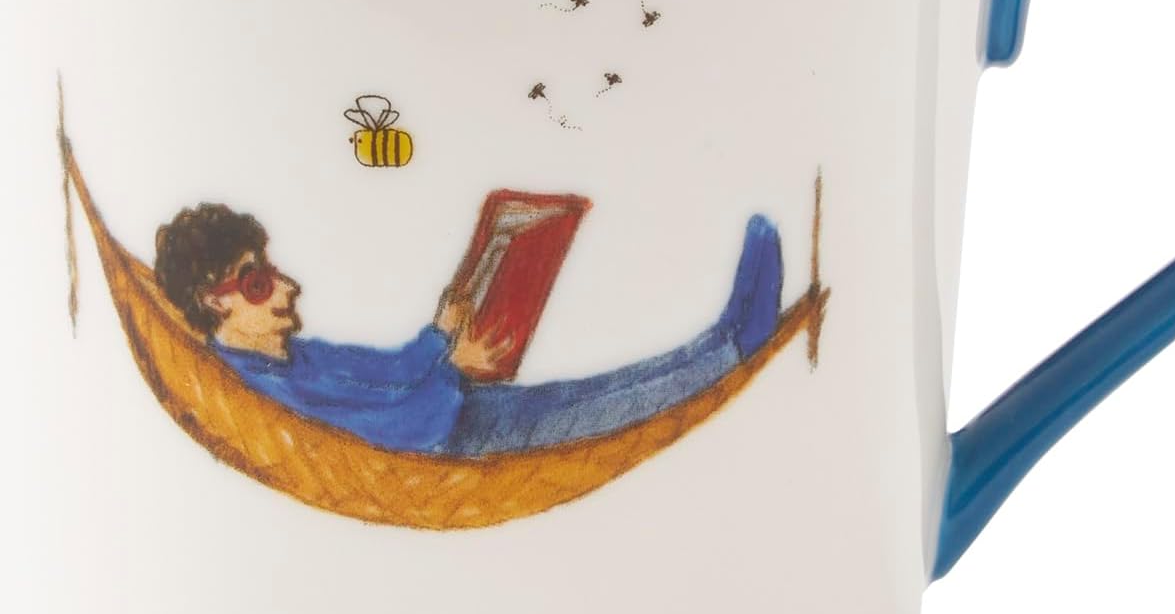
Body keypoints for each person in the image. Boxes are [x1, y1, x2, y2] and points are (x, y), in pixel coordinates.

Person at [153, 204, 782, 457]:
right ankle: (731, 350)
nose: (287, 288)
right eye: (257, 283)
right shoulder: (264, 396)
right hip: (452, 439)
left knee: (590, 393)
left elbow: (387, 373)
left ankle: (719, 343)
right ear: (214, 303)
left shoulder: (293, 358)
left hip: (459, 413)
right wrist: (454, 373)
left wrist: (440, 334)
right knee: (597, 411)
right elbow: (383, 430)